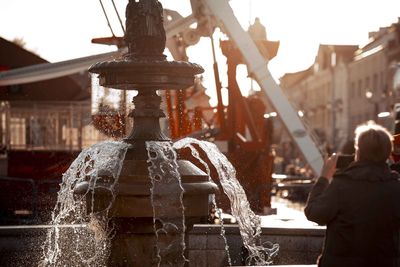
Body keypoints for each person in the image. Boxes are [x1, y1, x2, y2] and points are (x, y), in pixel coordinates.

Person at [304, 122, 400, 267]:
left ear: (358, 152)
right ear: (388, 153)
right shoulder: (395, 187)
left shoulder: (342, 184)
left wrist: (324, 177)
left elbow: (314, 213)